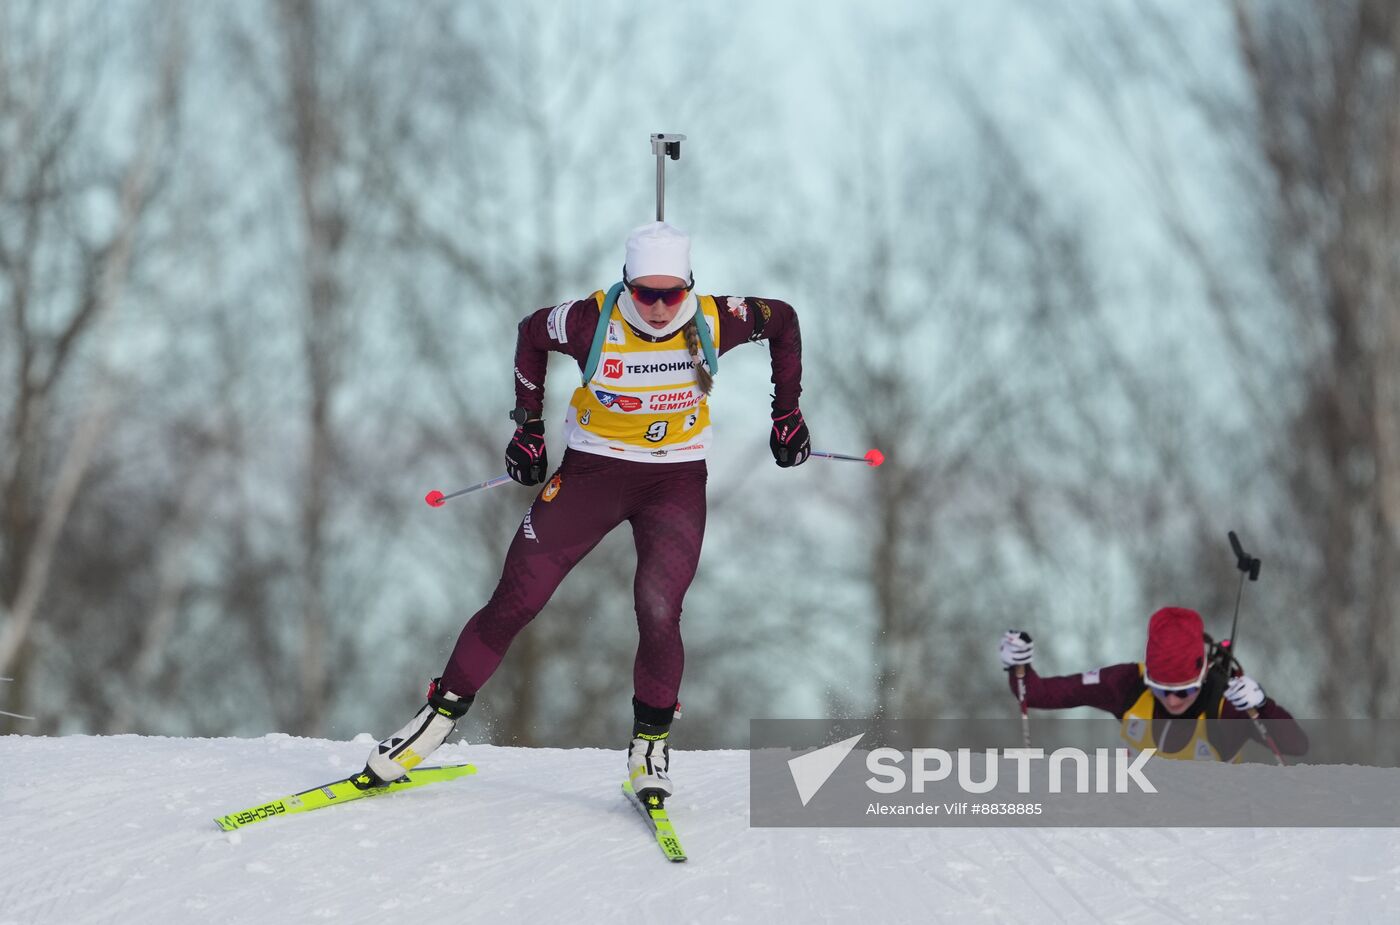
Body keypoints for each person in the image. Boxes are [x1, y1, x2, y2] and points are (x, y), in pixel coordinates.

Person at [356, 221, 809, 801]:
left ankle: (649, 747)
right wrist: (528, 428)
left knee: (659, 607)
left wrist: (786, 413)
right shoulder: (589, 321)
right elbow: (528, 334)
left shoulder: (717, 319)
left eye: (673, 293)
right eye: (646, 293)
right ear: (625, 286)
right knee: (516, 599)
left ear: (690, 287)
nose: (660, 307)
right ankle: (432, 724)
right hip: (591, 474)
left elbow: (786, 320)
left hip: (673, 480)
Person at [998, 606, 1308, 762]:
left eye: (1184, 691)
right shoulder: (1126, 684)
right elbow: (1038, 694)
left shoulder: (1223, 704)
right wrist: (1018, 665)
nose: (1172, 701)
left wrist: (1263, 706)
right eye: (1161, 690)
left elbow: (1296, 745)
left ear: (1203, 674)